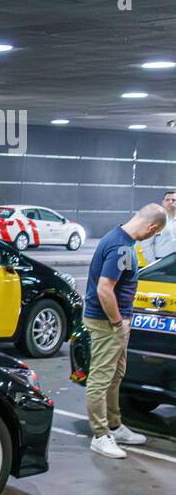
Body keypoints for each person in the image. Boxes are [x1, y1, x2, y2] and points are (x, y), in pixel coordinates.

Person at [83, 203, 168, 458]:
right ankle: (100, 435)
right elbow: (104, 289)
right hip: (106, 324)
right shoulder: (121, 247)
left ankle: (114, 425)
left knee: (115, 376)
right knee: (100, 379)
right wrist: (118, 323)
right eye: (153, 234)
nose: (150, 238)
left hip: (112, 324)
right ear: (152, 227)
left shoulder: (119, 238)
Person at [136, 188, 175, 266]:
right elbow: (146, 244)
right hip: (161, 263)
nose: (170, 202)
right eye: (167, 200)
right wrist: (153, 265)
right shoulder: (156, 221)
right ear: (163, 203)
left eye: (173, 200)